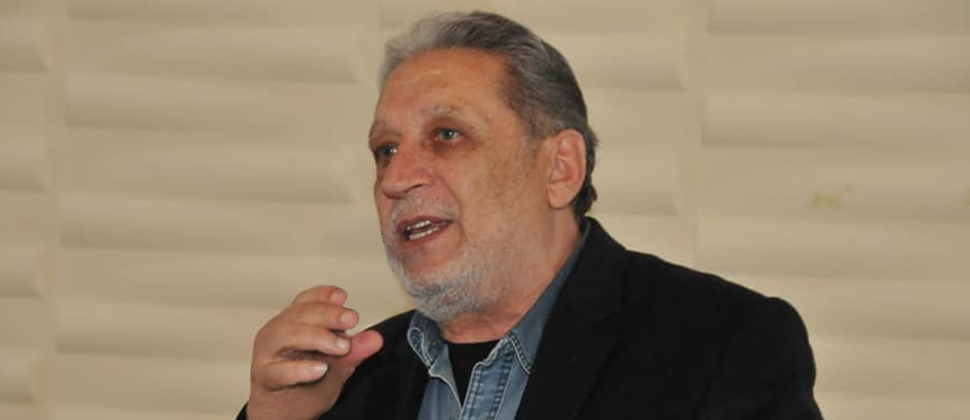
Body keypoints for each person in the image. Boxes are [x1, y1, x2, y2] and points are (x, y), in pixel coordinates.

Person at [240, 11, 823, 420]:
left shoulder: (721, 344)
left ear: (560, 168)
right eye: (385, 149)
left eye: (447, 135)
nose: (395, 179)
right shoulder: (353, 378)